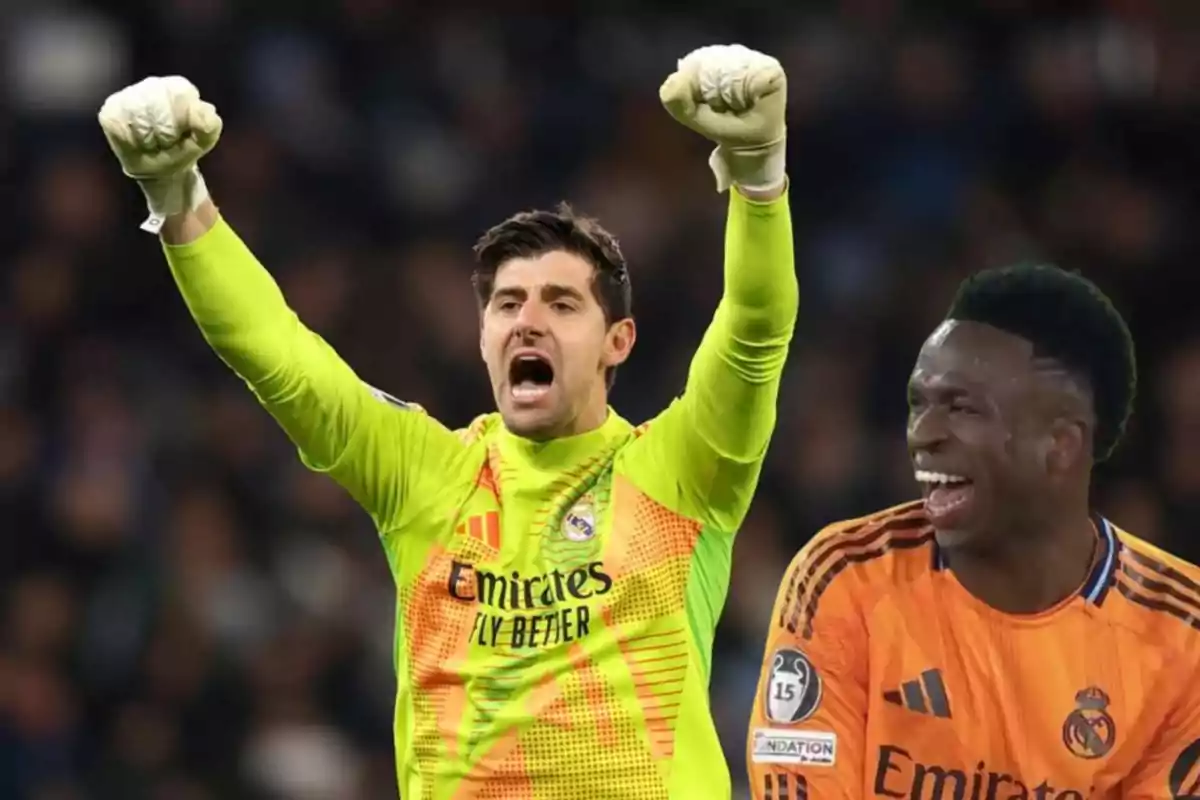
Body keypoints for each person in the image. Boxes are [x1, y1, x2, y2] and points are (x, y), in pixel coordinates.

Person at [99, 44, 798, 798]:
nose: (528, 322)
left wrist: (757, 172)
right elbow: (276, 354)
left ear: (616, 342)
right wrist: (176, 196)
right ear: (483, 338)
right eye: (507, 304)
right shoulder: (425, 472)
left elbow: (755, 330)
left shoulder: (678, 473)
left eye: (561, 304)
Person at [746, 264, 1200, 800]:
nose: (923, 435)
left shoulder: (1183, 638)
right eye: (919, 405)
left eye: (960, 408)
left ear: (1060, 445)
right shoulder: (845, 578)